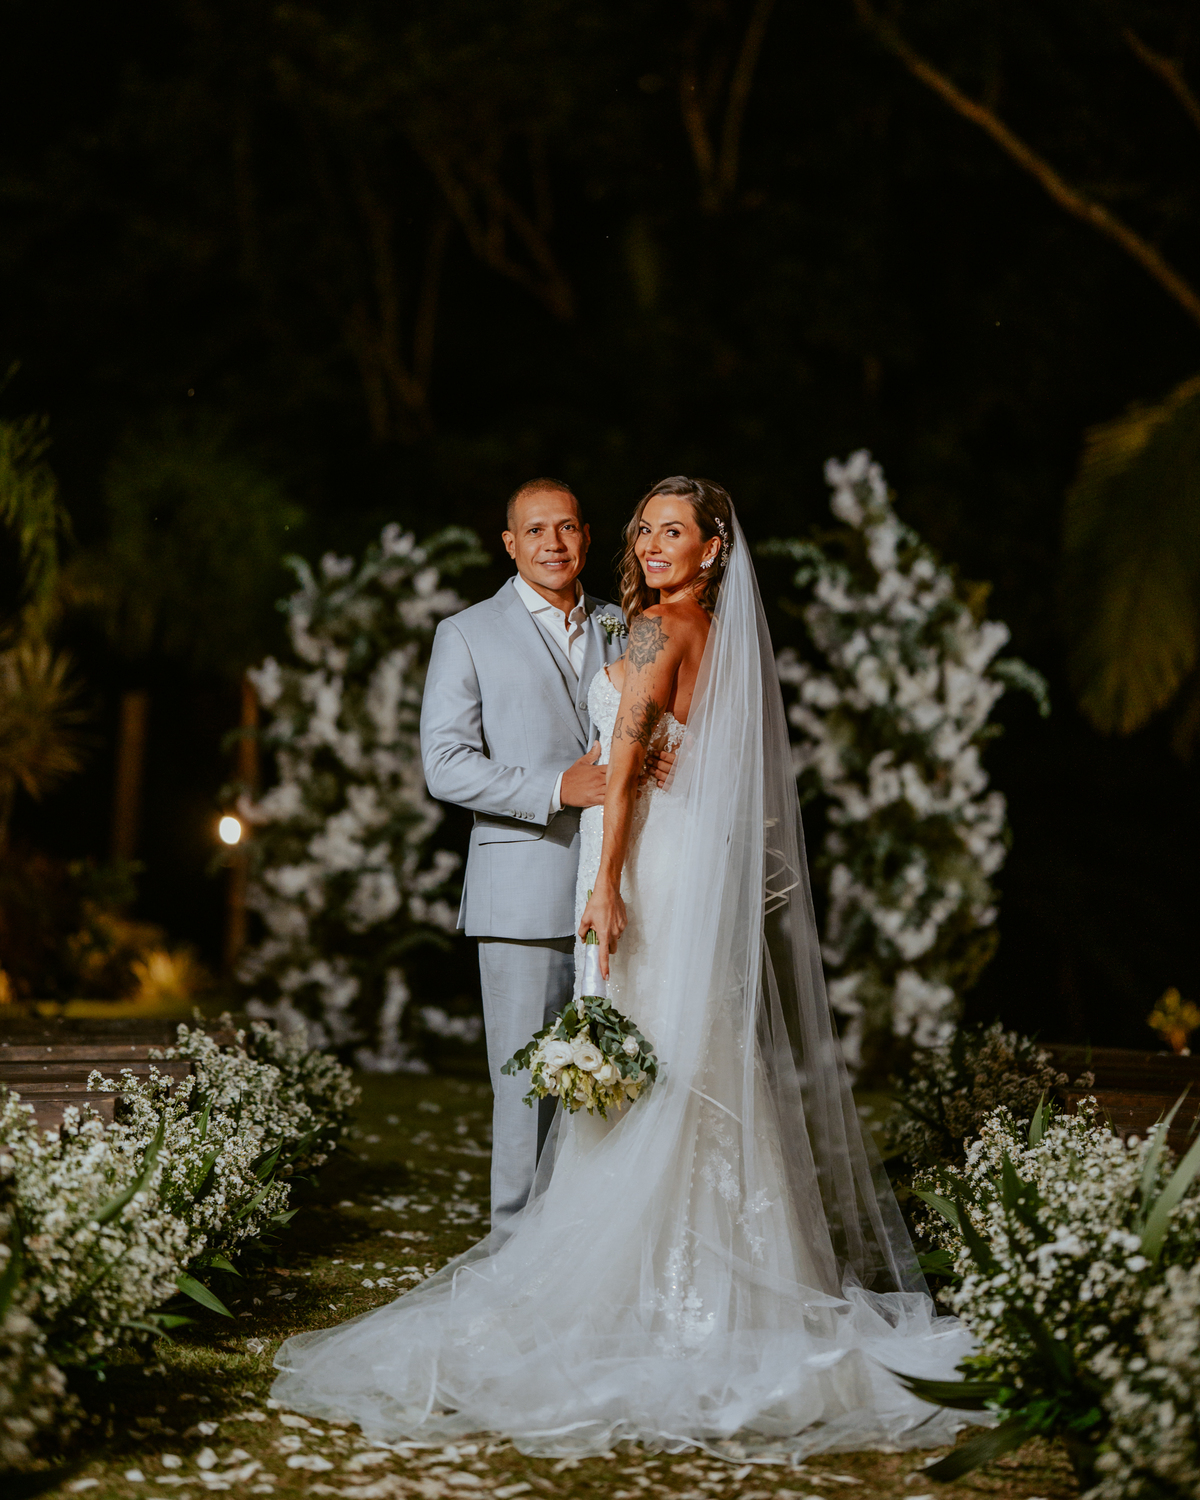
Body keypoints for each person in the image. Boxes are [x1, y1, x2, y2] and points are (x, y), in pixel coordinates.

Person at [273, 476, 974, 1460]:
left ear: (711, 547)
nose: (649, 544)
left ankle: (602, 1288)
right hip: (673, 869)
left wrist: (607, 879)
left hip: (636, 868)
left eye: (669, 531)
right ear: (511, 542)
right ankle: (712, 1290)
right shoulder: (700, 630)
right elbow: (655, 748)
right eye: (646, 530)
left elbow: (642, 739)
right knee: (684, 1061)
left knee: (645, 1071)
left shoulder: (639, 627)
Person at [417, 478, 626, 1230]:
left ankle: (590, 1245)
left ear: (586, 536)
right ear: (510, 544)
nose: (553, 544)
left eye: (566, 528)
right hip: (521, 889)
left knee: (617, 1072)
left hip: (618, 888)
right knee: (526, 1085)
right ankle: (512, 1249)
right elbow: (443, 764)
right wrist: (554, 788)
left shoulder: (624, 622)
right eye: (535, 531)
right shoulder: (466, 633)